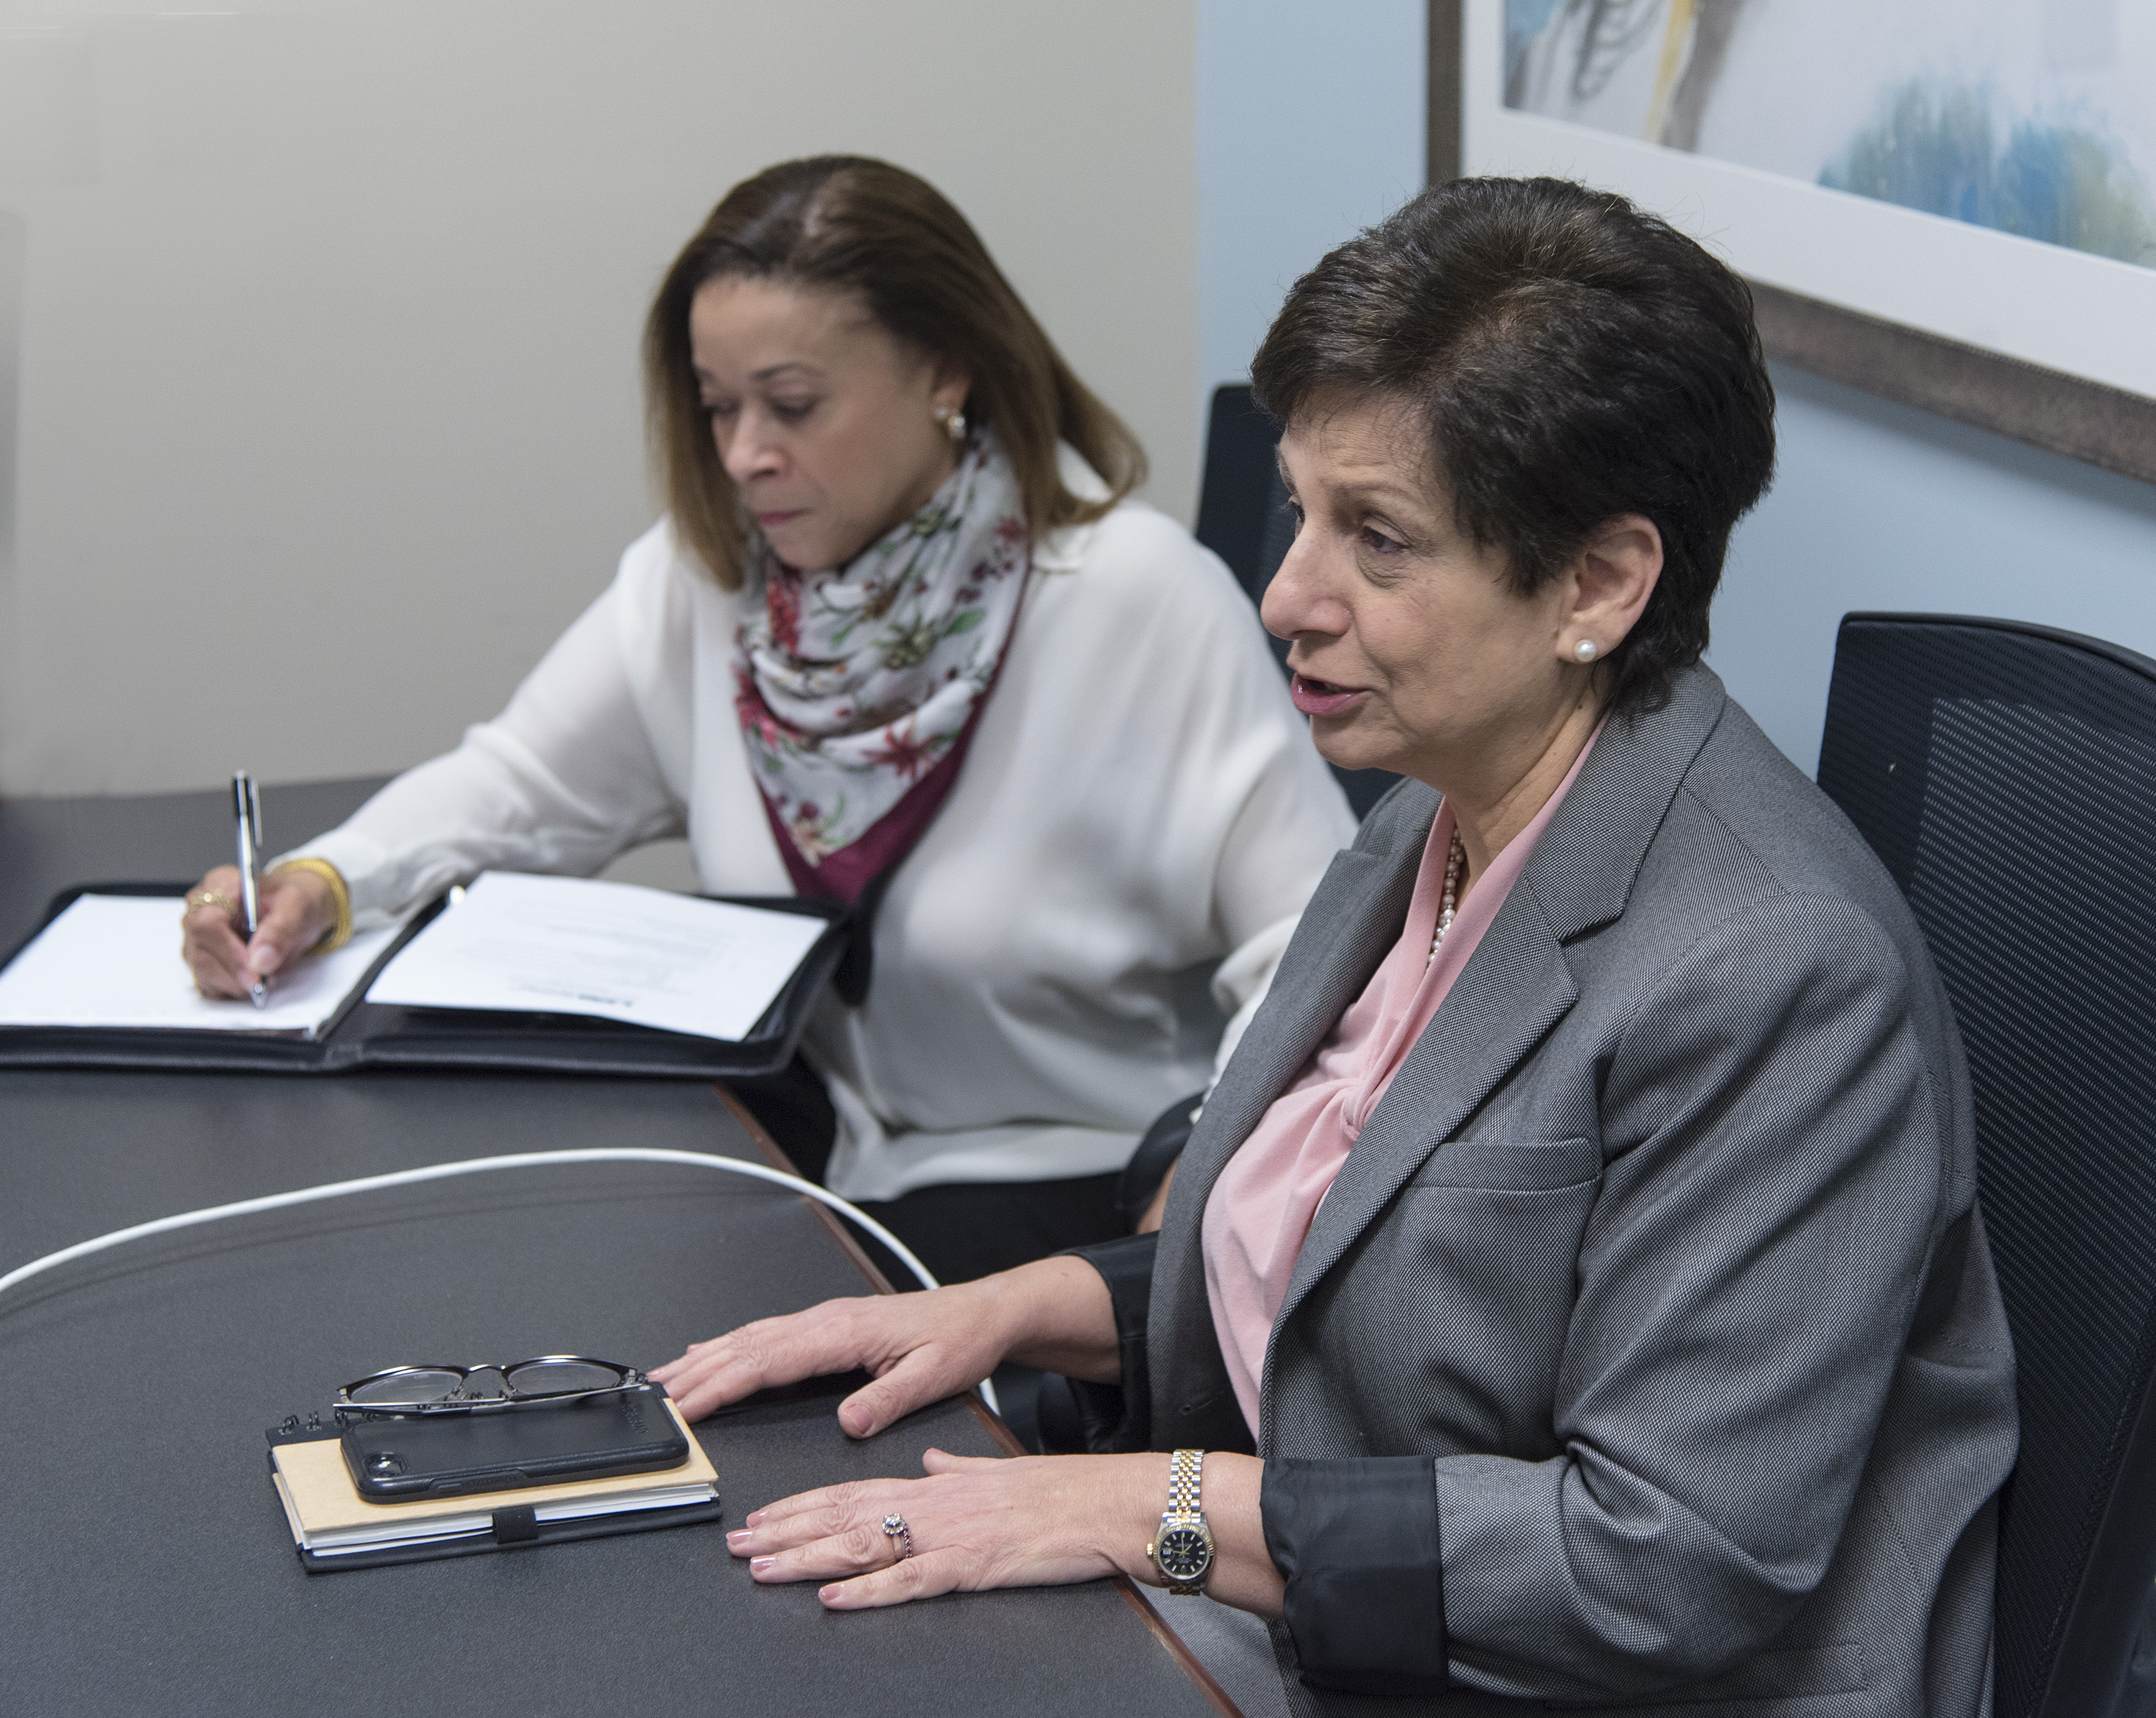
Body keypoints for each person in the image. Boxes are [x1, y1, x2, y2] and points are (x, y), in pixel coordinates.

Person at [649, 177, 2019, 1716]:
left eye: (1377, 539)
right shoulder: (1439, 806)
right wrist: (1016, 1303)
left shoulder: (1774, 968)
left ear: (1598, 583)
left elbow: (1657, 1563)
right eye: (1303, 512)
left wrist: (1144, 1505)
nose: (1285, 594)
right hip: (1341, 1602)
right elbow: (1364, 1261)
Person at [178, 156, 1354, 1282]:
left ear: (946, 374)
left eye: (793, 405)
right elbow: (518, 791)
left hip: (1071, 1188)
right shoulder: (708, 582)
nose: (745, 455)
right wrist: (324, 882)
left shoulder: (1132, 598)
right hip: (807, 1156)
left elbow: (1321, 947)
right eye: (717, 407)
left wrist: (1207, 1177)